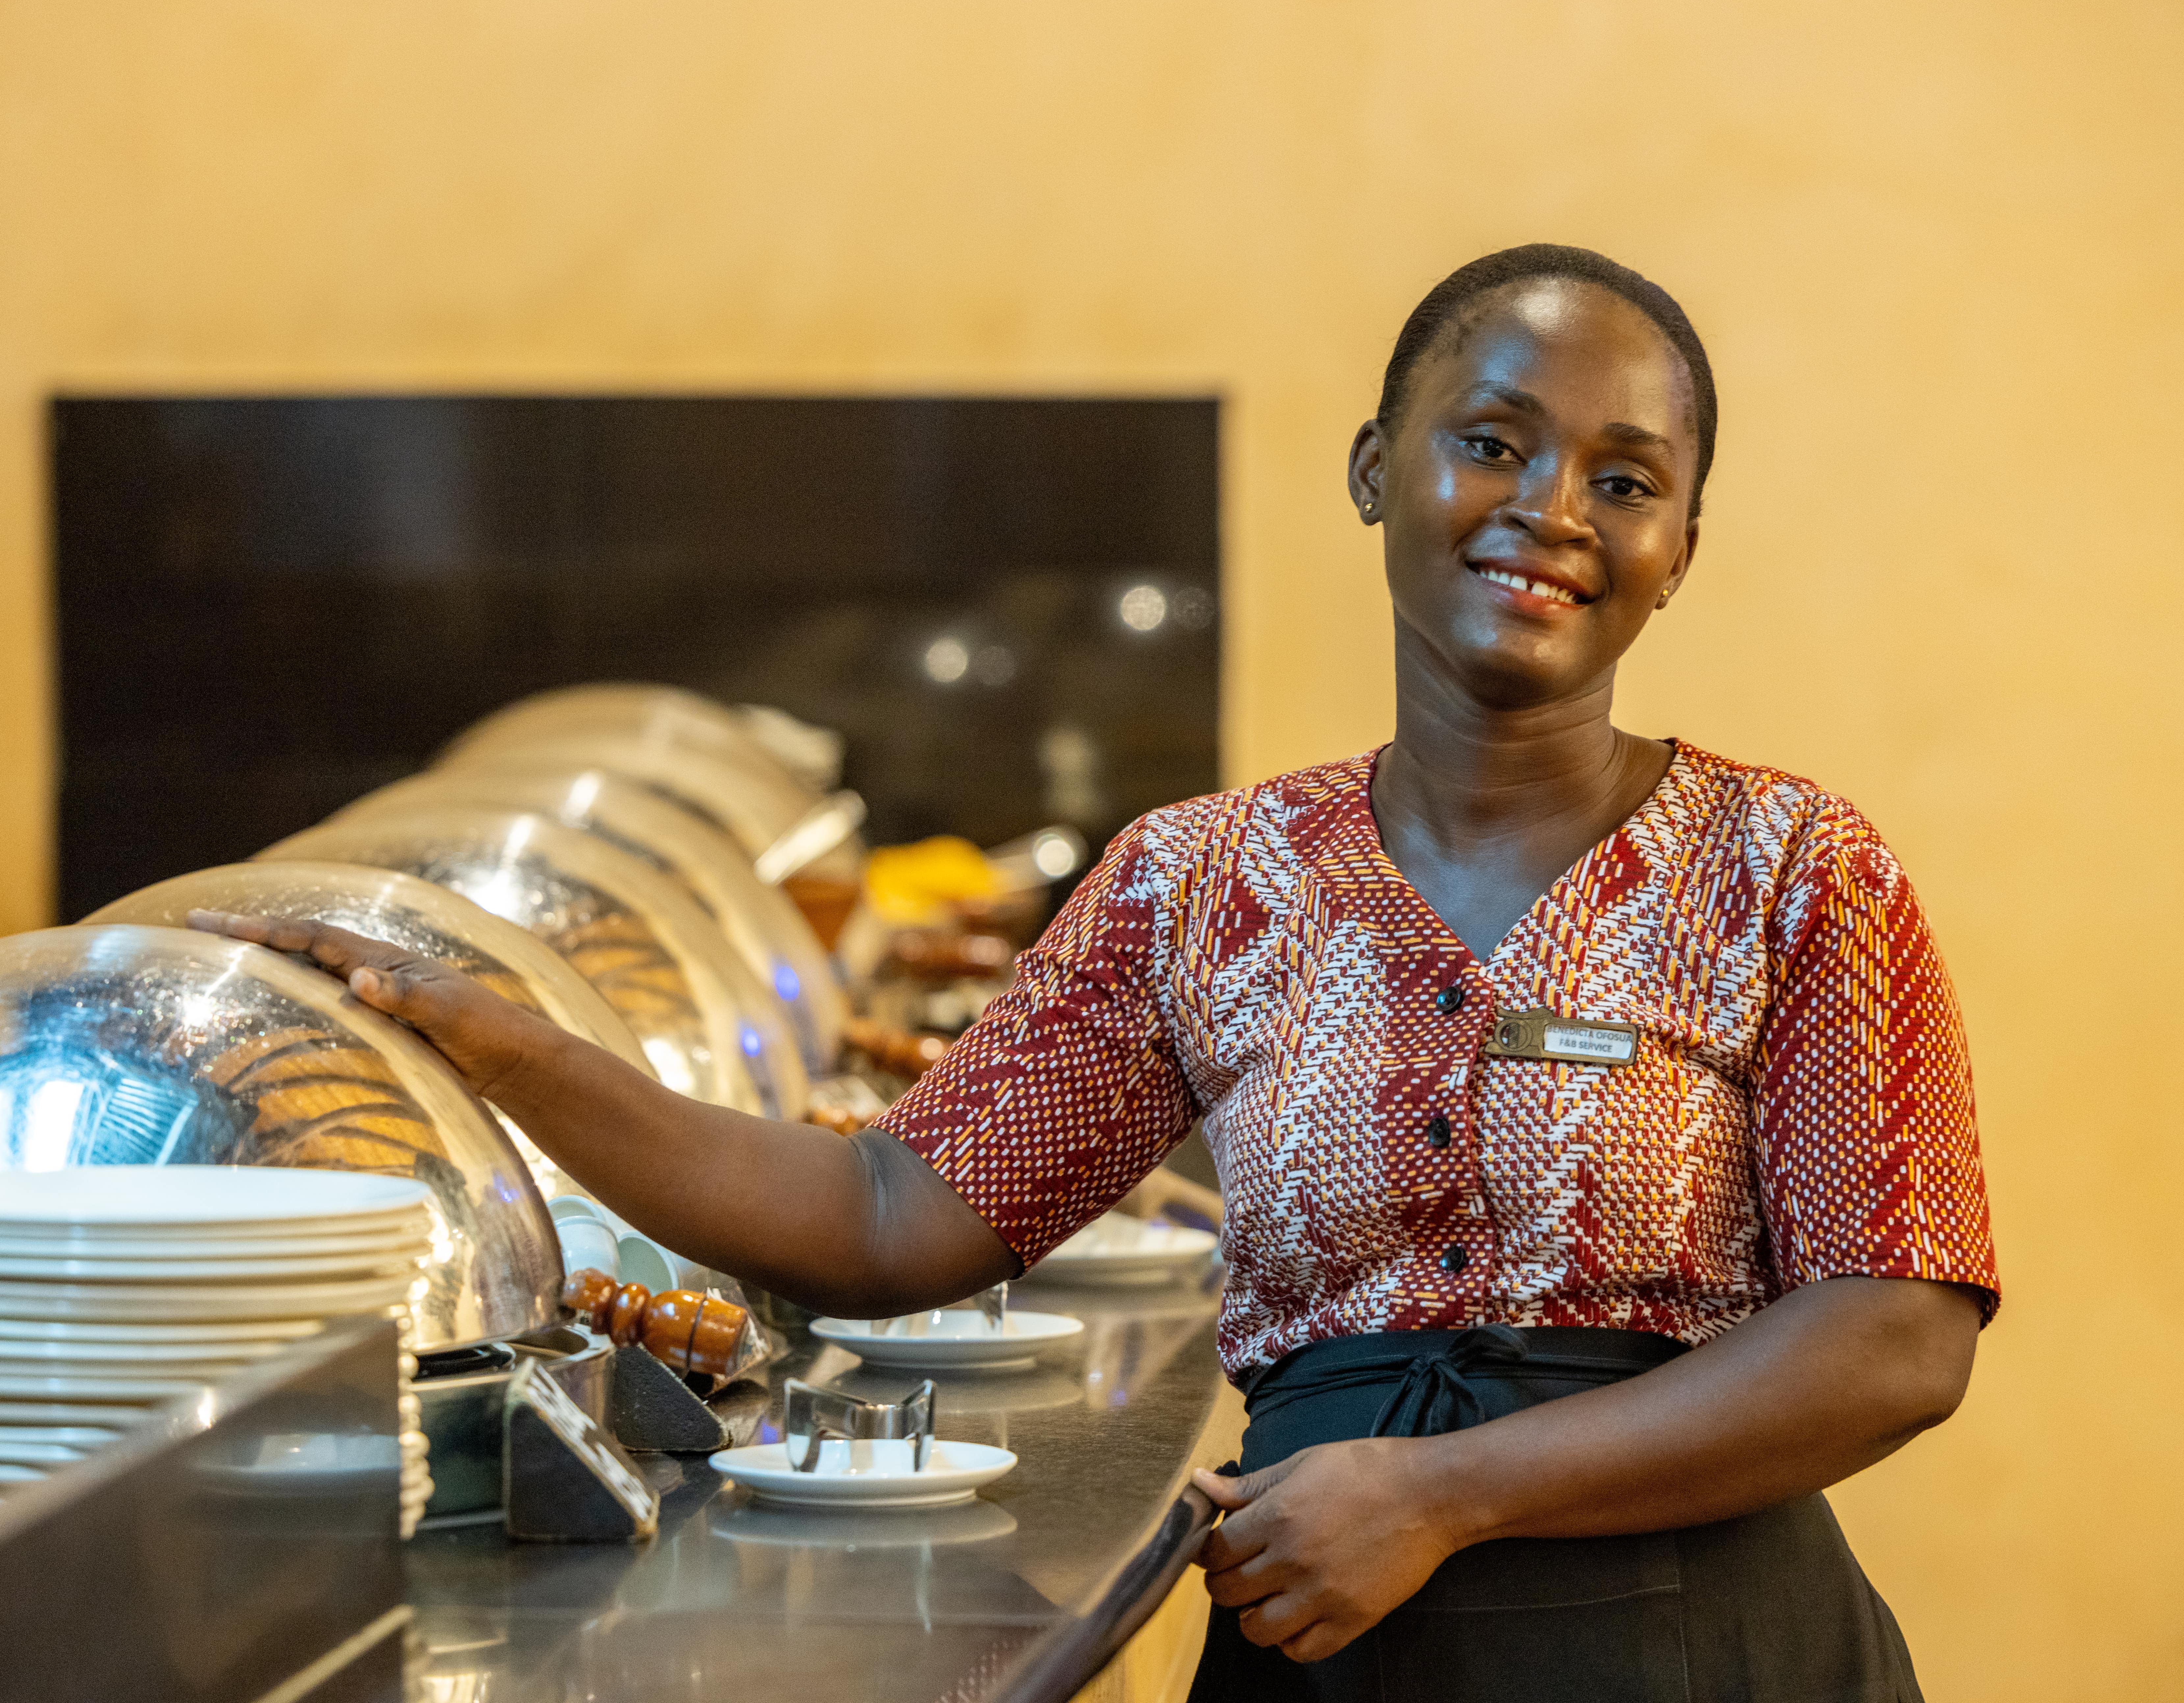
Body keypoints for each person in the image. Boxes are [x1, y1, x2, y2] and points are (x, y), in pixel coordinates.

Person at [196, 244, 1997, 1701]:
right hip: (1340, 1649)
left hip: (1712, 1652)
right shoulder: (1204, 884)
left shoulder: (1797, 871)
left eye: (1628, 479)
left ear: (1681, 546)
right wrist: (498, 1039)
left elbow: (1896, 1339)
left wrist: (1436, 1497)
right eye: (1495, 442)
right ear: (1382, 469)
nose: (1553, 510)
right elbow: (895, 1213)